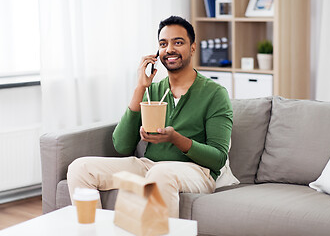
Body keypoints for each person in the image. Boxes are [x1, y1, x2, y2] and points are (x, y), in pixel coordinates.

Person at [67, 15, 233, 218]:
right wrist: (140, 87)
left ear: (192, 48)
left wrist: (176, 139)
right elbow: (122, 145)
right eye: (163, 44)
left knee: (159, 174)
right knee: (80, 168)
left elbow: (217, 158)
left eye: (178, 42)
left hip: (197, 171)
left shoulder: (215, 93)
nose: (169, 49)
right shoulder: (152, 91)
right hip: (149, 166)